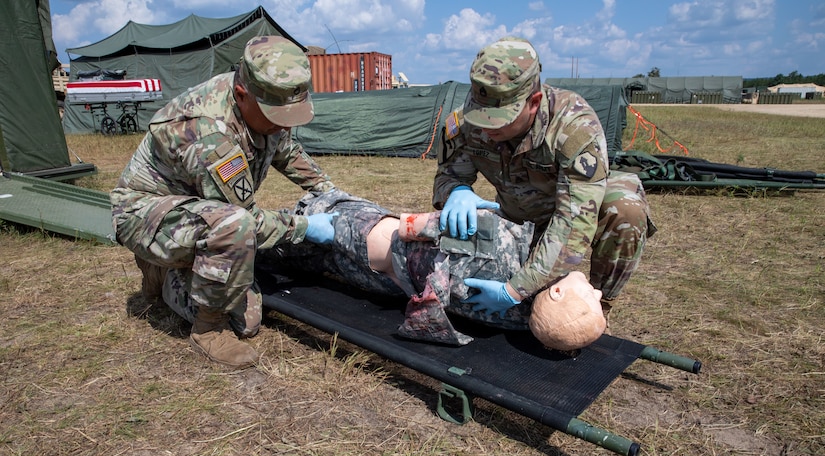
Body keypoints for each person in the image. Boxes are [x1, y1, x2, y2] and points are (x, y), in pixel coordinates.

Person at [111, 36, 338, 369]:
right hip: (146, 215)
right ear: (242, 95)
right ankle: (206, 327)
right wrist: (306, 227)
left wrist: (330, 193)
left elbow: (286, 150)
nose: (282, 124)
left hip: (198, 209)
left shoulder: (262, 102)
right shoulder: (208, 132)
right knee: (236, 233)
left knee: (248, 314)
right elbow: (246, 220)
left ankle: (177, 268)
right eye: (276, 115)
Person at [433, 37, 655, 326]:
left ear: (534, 102)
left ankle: (599, 306)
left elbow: (573, 224)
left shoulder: (573, 127)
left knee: (625, 209)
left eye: (500, 121)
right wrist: (456, 190)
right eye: (481, 116)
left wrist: (514, 290)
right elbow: (447, 177)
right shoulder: (465, 123)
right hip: (520, 217)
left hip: (572, 213)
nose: (487, 131)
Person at [258, 189, 606, 351]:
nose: (598, 291)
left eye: (590, 296)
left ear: (557, 291)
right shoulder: (515, 317)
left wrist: (333, 226)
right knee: (307, 259)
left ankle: (248, 233)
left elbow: (405, 237)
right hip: (382, 285)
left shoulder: (509, 252)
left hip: (368, 240)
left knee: (301, 230)